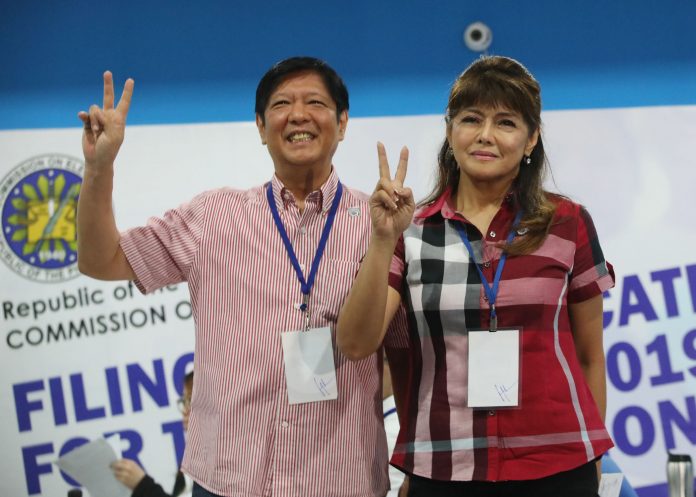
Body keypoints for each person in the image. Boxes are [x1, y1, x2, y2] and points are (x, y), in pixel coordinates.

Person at [77, 57, 400, 497]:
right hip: (228, 479)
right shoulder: (212, 216)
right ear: (260, 125)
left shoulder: (381, 223)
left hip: (341, 478)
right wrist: (99, 170)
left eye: (316, 103)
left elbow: (408, 359)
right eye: (282, 103)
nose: (299, 115)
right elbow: (101, 260)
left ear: (342, 123)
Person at [337, 55, 615, 497]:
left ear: (531, 140)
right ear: (450, 132)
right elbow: (355, 343)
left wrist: (596, 455)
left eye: (506, 122)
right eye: (471, 119)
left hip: (558, 464)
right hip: (444, 465)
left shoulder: (568, 223)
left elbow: (589, 357)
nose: (486, 135)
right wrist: (381, 238)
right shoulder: (411, 231)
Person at [111, 372, 195, 497]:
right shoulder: (191, 460)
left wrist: (142, 486)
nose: (185, 410)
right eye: (184, 401)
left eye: (191, 400)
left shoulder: (228, 458)